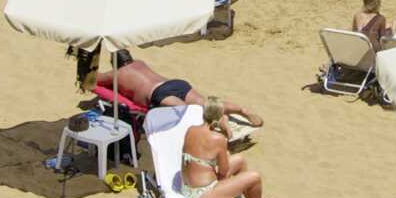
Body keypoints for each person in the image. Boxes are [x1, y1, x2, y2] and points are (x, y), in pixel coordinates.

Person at [77, 49, 264, 126]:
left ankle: (220, 121)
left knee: (185, 111)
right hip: (175, 83)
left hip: (158, 94)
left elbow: (93, 81)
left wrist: (86, 57)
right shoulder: (140, 63)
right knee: (204, 103)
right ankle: (241, 110)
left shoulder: (116, 74)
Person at [181, 98, 277, 198]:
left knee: (240, 160)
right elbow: (223, 171)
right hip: (203, 195)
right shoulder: (218, 139)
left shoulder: (191, 130)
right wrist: (225, 131)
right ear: (221, 116)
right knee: (255, 177)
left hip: (187, 188)